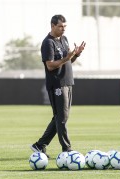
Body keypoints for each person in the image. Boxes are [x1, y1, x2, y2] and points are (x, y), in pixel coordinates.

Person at [30, 14, 86, 157]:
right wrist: (66, 57)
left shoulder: (64, 39)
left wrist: (76, 55)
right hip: (57, 84)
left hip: (68, 82)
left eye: (65, 27)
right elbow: (50, 66)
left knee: (60, 117)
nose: (63, 29)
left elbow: (67, 62)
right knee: (61, 117)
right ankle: (66, 149)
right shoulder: (48, 43)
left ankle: (40, 145)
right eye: (60, 26)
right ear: (53, 26)